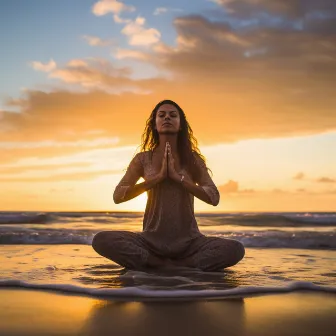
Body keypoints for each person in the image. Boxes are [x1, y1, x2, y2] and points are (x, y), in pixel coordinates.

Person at [92, 100, 245, 271]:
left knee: (235, 249)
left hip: (190, 244)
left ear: (180, 125)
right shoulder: (143, 159)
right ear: (155, 124)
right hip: (149, 243)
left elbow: (213, 197)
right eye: (161, 115)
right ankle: (163, 264)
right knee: (101, 240)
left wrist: (178, 178)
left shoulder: (192, 159)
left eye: (173, 115)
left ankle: (174, 265)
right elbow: (118, 196)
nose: (167, 118)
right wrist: (156, 179)